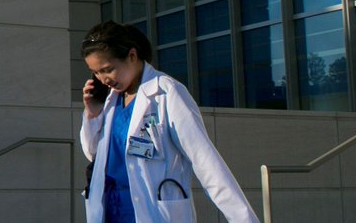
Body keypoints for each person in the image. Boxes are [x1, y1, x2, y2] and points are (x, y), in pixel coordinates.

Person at [80, 21, 258, 223]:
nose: (103, 79)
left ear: (132, 55)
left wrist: (244, 219)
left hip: (154, 214)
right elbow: (92, 153)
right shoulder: (110, 100)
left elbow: (206, 162)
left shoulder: (167, 92)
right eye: (95, 72)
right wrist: (92, 115)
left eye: (108, 69)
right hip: (109, 212)